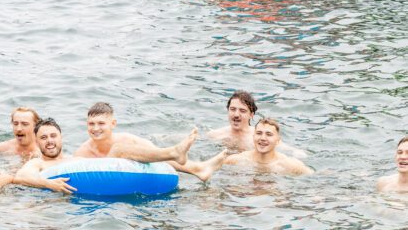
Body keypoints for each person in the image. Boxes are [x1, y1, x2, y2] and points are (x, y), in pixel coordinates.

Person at [74, 102, 229, 182]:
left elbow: (156, 153)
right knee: (119, 149)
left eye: (101, 123)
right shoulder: (83, 152)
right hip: (105, 186)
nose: (95, 128)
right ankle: (178, 153)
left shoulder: (128, 139)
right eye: (91, 124)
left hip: (130, 182)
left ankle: (198, 169)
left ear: (113, 124)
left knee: (146, 151)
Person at [208, 90, 306, 156]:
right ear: (228, 110)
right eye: (233, 109)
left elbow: (284, 148)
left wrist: (296, 152)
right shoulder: (215, 135)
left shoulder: (259, 136)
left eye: (242, 111)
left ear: (251, 115)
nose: (236, 114)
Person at [224, 118, 313, 175]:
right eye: (259, 133)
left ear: (278, 141)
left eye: (269, 134)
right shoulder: (237, 160)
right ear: (253, 137)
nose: (263, 138)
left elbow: (313, 177)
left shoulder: (289, 165)